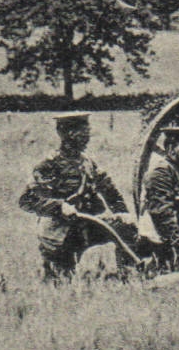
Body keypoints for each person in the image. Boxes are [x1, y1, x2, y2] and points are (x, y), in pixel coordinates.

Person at [18, 113, 129, 281]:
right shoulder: (49, 165)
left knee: (126, 229)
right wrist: (59, 206)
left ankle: (127, 276)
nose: (88, 136)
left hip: (86, 226)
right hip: (60, 234)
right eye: (83, 131)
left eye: (87, 130)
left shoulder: (88, 163)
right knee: (60, 281)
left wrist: (122, 213)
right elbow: (27, 200)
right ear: (68, 134)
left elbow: (109, 190)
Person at [138, 122, 179, 269]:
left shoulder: (178, 170)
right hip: (160, 242)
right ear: (171, 148)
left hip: (174, 238)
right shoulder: (160, 173)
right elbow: (163, 216)